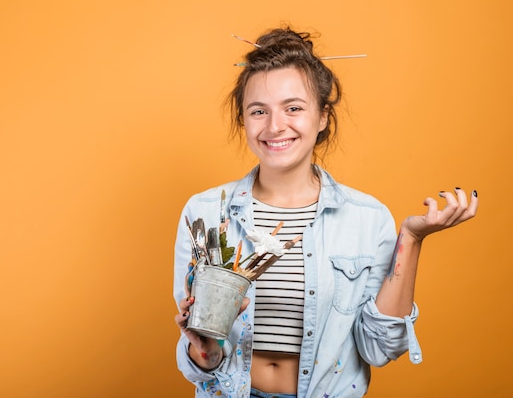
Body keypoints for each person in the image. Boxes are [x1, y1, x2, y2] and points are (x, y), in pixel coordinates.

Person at [173, 27, 478, 398]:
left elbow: (379, 349)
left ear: (322, 117)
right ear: (243, 119)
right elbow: (201, 359)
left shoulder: (366, 218)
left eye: (294, 108)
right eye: (258, 111)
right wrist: (204, 349)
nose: (274, 126)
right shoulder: (205, 212)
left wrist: (412, 240)